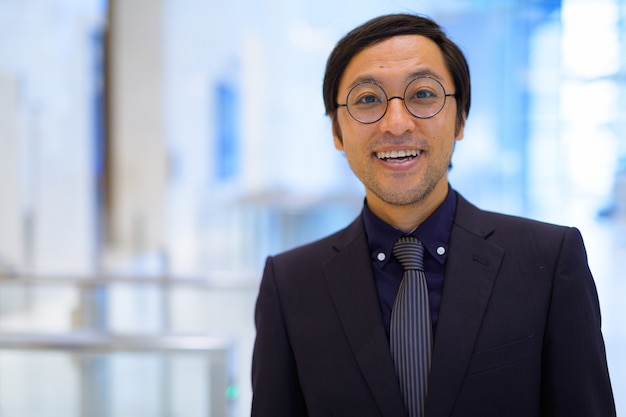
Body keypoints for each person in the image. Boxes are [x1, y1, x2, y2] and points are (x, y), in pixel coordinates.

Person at [251, 13, 616, 417]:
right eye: (368, 99)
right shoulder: (291, 285)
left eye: (423, 94)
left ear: (460, 119)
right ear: (337, 132)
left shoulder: (549, 261)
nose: (396, 123)